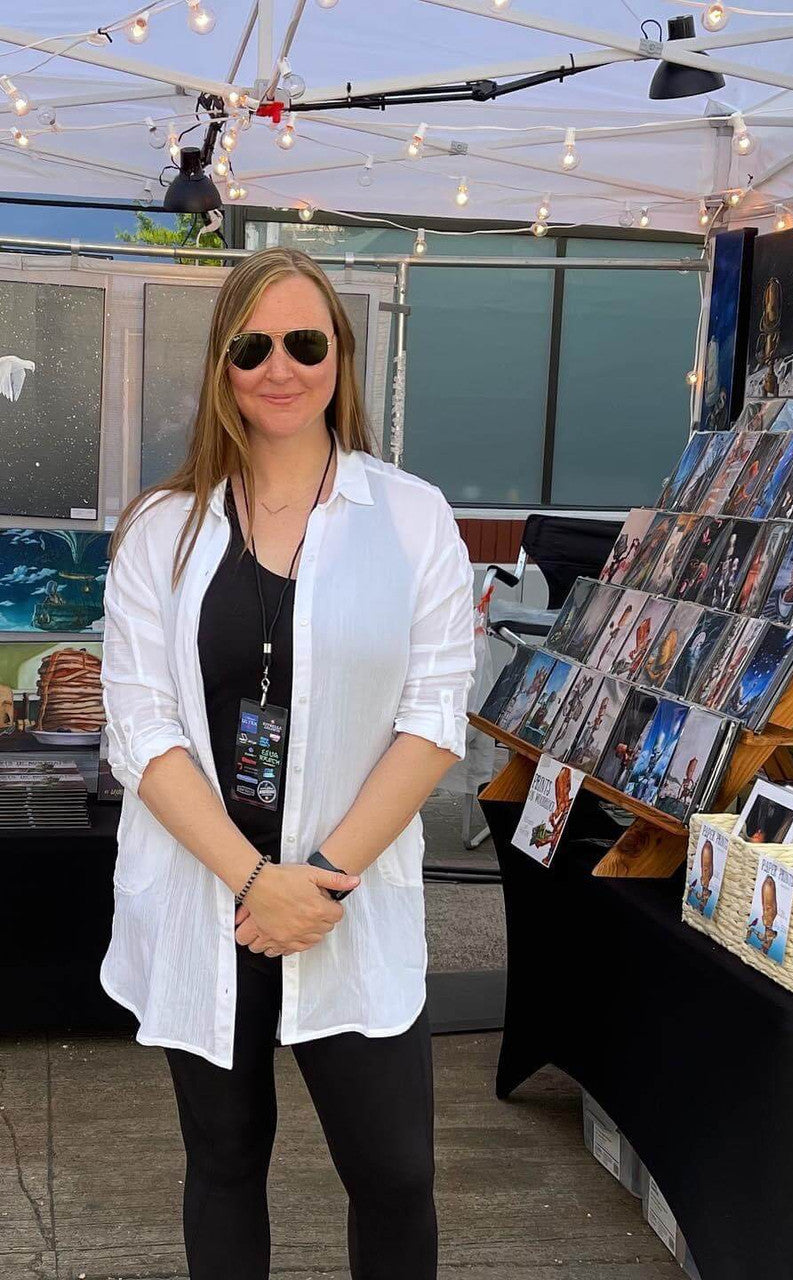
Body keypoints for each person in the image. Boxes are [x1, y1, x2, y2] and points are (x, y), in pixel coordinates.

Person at [99, 246, 475, 1280]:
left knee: (395, 1171)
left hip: (342, 895)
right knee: (222, 1158)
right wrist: (252, 878)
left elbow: (435, 715)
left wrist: (314, 880)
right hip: (205, 887)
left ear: (340, 359)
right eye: (252, 345)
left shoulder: (410, 518)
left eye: (305, 342)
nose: (280, 366)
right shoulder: (160, 531)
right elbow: (141, 727)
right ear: (222, 364)